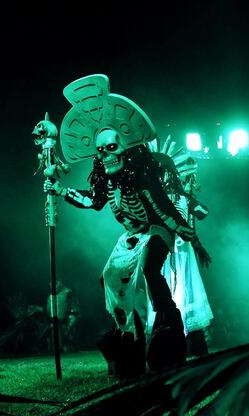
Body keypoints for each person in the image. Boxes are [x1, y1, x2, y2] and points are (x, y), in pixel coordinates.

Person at [43, 74, 211, 377]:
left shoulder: (143, 177)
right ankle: (128, 333)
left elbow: (165, 209)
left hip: (158, 230)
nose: (106, 156)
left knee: (148, 270)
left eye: (111, 148)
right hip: (133, 235)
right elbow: (91, 202)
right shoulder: (107, 182)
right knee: (109, 276)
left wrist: (192, 239)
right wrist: (61, 191)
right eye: (100, 151)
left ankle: (169, 325)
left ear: (125, 147)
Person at [147, 137, 215, 356]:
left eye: (162, 171)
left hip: (182, 251)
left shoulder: (182, 198)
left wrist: (189, 193)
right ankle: (167, 337)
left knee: (184, 292)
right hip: (163, 249)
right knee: (165, 289)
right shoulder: (154, 197)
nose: (160, 175)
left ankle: (189, 341)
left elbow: (202, 213)